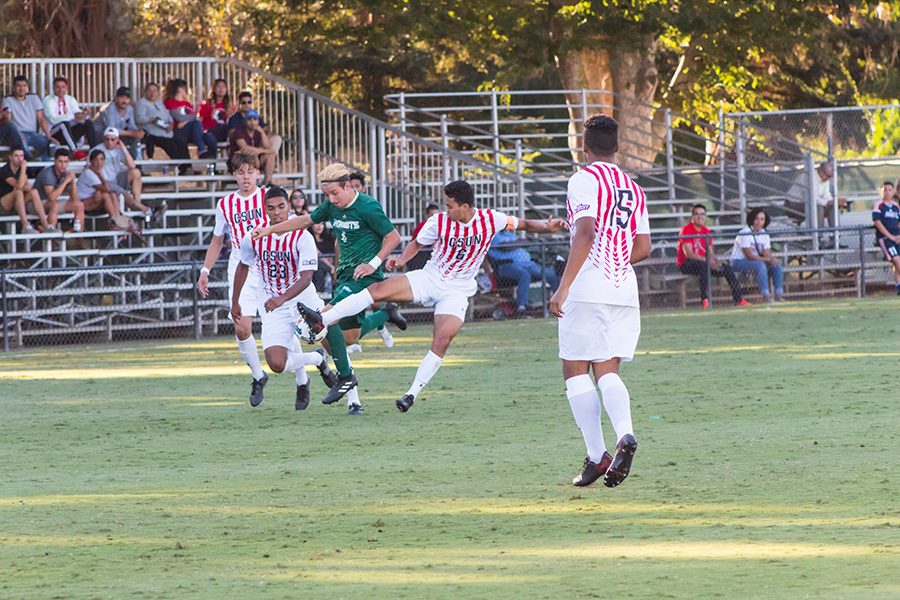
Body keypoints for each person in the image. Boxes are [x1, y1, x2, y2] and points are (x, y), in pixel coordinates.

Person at [292, 179, 566, 413]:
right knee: (376, 290)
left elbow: (524, 223)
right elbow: (415, 244)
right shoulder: (438, 222)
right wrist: (400, 262)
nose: (446, 210)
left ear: (466, 206)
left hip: (458, 290)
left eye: (450, 206)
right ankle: (324, 319)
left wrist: (548, 226)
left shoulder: (490, 219)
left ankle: (411, 393)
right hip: (431, 278)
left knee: (442, 340)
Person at [251, 163, 407, 415]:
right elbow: (303, 220)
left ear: (348, 186)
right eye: (326, 195)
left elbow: (393, 237)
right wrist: (269, 229)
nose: (330, 199)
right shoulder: (332, 207)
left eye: (334, 193)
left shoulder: (368, 207)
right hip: (346, 276)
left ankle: (345, 378)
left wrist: (373, 263)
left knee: (325, 318)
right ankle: (384, 314)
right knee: (348, 338)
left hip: (365, 277)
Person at [548, 114, 651, 489]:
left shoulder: (582, 180)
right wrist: (615, 258)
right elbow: (643, 247)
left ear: (584, 147)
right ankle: (625, 434)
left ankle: (597, 455)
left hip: (588, 288)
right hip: (623, 290)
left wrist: (563, 287)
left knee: (575, 372)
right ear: (618, 147)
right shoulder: (633, 187)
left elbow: (586, 232)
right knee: (607, 372)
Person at [231, 186, 339, 409]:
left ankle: (354, 400)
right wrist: (235, 301)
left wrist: (281, 298)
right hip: (273, 304)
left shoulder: (302, 235)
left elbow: (306, 277)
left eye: (281, 206)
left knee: (335, 344)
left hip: (303, 299)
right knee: (276, 364)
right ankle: (317, 359)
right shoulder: (254, 235)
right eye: (271, 208)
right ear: (264, 210)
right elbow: (243, 266)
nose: (277, 212)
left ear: (289, 207)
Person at [196, 151, 270, 405]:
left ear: (258, 173)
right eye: (241, 172)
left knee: (281, 327)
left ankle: (305, 374)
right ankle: (258, 376)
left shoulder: (268, 197)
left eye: (250, 171)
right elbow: (217, 240)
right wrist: (205, 270)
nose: (246, 177)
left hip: (271, 264)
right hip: (241, 267)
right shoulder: (226, 204)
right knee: (241, 326)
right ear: (234, 175)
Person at [677, 204, 748, 308]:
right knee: (704, 266)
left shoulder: (706, 231)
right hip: (686, 264)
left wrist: (716, 263)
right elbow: (689, 254)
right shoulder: (686, 230)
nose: (700, 217)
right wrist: (707, 261)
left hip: (704, 263)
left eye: (702, 214)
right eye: (696, 214)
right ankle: (705, 300)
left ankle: (738, 300)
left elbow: (710, 252)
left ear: (705, 216)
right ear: (692, 216)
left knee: (726, 268)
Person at [488, 228, 560, 316]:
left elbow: (524, 241)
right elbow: (505, 247)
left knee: (551, 274)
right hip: (506, 265)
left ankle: (559, 302)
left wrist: (517, 243)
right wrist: (518, 242)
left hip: (528, 264)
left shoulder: (509, 234)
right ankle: (522, 306)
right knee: (524, 274)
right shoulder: (492, 235)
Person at [92, 127, 155, 223]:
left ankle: (137, 203)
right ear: (103, 139)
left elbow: (132, 165)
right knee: (123, 194)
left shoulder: (118, 149)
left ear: (117, 140)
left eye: (113, 139)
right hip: (104, 182)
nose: (109, 142)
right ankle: (146, 210)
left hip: (116, 179)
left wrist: (124, 149)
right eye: (107, 139)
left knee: (136, 172)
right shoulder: (96, 150)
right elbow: (90, 170)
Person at [730, 208, 785, 302]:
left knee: (776, 265)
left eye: (762, 219)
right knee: (760, 266)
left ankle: (778, 295)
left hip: (756, 261)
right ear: (752, 219)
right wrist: (765, 259)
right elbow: (748, 255)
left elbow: (766, 251)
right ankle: (765, 296)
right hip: (738, 261)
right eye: (756, 219)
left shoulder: (764, 234)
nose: (759, 222)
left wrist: (771, 259)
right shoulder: (745, 232)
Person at [134, 82, 191, 169]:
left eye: (155, 91)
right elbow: (139, 119)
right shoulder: (141, 103)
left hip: (167, 131)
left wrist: (171, 124)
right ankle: (181, 167)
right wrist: (152, 120)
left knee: (181, 141)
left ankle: (188, 167)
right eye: (149, 91)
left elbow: (168, 115)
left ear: (158, 92)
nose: (152, 93)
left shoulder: (160, 103)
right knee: (171, 146)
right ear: (145, 92)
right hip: (153, 134)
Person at [0, 148, 52, 233]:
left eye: (21, 156)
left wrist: (24, 182)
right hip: (3, 205)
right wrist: (24, 169)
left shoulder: (21, 170)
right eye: (16, 156)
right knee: (18, 192)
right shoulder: (4, 170)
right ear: (10, 157)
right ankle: (25, 225)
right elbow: (20, 186)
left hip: (17, 204)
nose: (19, 159)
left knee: (34, 192)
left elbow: (28, 187)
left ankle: (45, 224)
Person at [34, 147, 85, 232]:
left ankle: (80, 239)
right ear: (55, 161)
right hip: (37, 203)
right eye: (60, 162)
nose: (63, 165)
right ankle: (51, 237)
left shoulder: (65, 174)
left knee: (79, 205)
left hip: (51, 203)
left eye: (65, 162)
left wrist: (72, 182)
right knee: (54, 205)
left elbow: (75, 199)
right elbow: (52, 197)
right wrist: (66, 181)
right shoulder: (48, 174)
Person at [76, 149, 129, 230]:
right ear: (91, 161)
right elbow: (106, 188)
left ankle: (118, 218)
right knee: (105, 195)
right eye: (96, 160)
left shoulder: (100, 172)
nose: (99, 162)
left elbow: (103, 187)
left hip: (96, 201)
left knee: (112, 194)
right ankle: (113, 221)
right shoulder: (88, 173)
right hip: (83, 204)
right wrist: (100, 177)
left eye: (101, 159)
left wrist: (99, 178)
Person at [2, 75, 52, 160]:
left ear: (27, 87)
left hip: (32, 133)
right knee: (22, 145)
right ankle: (31, 164)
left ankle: (44, 167)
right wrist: (5, 115)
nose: (21, 88)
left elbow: (41, 118)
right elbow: (8, 120)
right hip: (18, 134)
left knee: (48, 144)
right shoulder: (7, 99)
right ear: (14, 87)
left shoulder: (34, 98)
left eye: (24, 86)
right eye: (18, 86)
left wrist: (48, 135)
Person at [163, 79, 216, 159]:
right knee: (196, 123)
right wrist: (191, 119)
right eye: (185, 88)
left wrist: (185, 122)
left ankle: (212, 162)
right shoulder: (170, 102)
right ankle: (201, 150)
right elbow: (179, 117)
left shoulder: (187, 103)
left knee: (210, 137)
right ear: (180, 89)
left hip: (192, 131)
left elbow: (195, 118)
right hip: (179, 132)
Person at [43, 76, 97, 152]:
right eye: (58, 87)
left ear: (66, 88)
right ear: (53, 88)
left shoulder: (70, 99)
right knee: (64, 124)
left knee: (88, 122)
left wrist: (84, 114)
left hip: (69, 133)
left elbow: (77, 114)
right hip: (55, 134)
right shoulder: (48, 100)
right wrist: (72, 116)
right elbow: (52, 119)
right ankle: (75, 151)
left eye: (63, 87)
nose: (61, 90)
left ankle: (94, 151)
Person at [227, 111, 276, 186]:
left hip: (252, 161)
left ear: (258, 121)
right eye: (249, 119)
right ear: (245, 121)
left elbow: (267, 146)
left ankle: (266, 184)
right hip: (238, 162)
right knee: (268, 153)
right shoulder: (238, 131)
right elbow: (245, 149)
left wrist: (262, 132)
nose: (252, 122)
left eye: (255, 119)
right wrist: (264, 150)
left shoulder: (258, 132)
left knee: (270, 156)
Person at [96, 87, 145, 158]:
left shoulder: (130, 109)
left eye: (127, 98)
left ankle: (136, 162)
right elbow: (111, 129)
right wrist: (131, 133)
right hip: (102, 135)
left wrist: (138, 132)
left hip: (116, 136)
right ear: (116, 99)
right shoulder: (111, 108)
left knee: (136, 138)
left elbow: (131, 126)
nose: (124, 101)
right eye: (121, 97)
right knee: (113, 138)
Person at [227, 92, 282, 156]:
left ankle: (267, 154)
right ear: (239, 104)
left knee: (276, 138)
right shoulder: (234, 118)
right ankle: (267, 152)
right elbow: (232, 135)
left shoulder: (256, 116)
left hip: (258, 142)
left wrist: (265, 134)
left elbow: (265, 131)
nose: (247, 105)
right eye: (244, 102)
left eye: (249, 102)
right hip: (243, 145)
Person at [872, 181, 900, 295]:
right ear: (881, 191)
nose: (887, 192)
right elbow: (878, 223)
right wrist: (891, 237)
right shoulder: (878, 205)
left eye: (890, 190)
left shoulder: (896, 206)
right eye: (885, 190)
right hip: (886, 239)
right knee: (896, 260)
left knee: (897, 262)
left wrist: (898, 236)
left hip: (897, 238)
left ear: (893, 191)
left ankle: (898, 286)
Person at [813, 162, 849, 245]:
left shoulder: (825, 179)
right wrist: (829, 202)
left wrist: (835, 202)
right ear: (821, 172)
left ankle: (835, 239)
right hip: (796, 203)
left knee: (832, 207)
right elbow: (812, 199)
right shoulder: (810, 177)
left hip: (815, 203)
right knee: (819, 208)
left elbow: (827, 195)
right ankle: (818, 237)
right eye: (828, 176)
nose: (829, 178)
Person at [406, 203, 440, 271]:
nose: (436, 218)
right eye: (432, 216)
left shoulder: (439, 226)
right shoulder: (424, 226)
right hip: (418, 257)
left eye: (438, 216)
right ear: (427, 216)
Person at [199, 78, 234, 144]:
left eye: (223, 86)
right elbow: (200, 120)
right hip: (208, 133)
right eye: (218, 86)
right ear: (214, 89)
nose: (221, 89)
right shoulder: (207, 104)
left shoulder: (228, 105)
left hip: (223, 133)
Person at [311, 221, 336, 295]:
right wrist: (331, 266)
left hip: (331, 263)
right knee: (320, 266)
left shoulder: (329, 237)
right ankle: (320, 292)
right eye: (317, 223)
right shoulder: (310, 238)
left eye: (321, 224)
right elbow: (318, 254)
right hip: (319, 263)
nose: (319, 226)